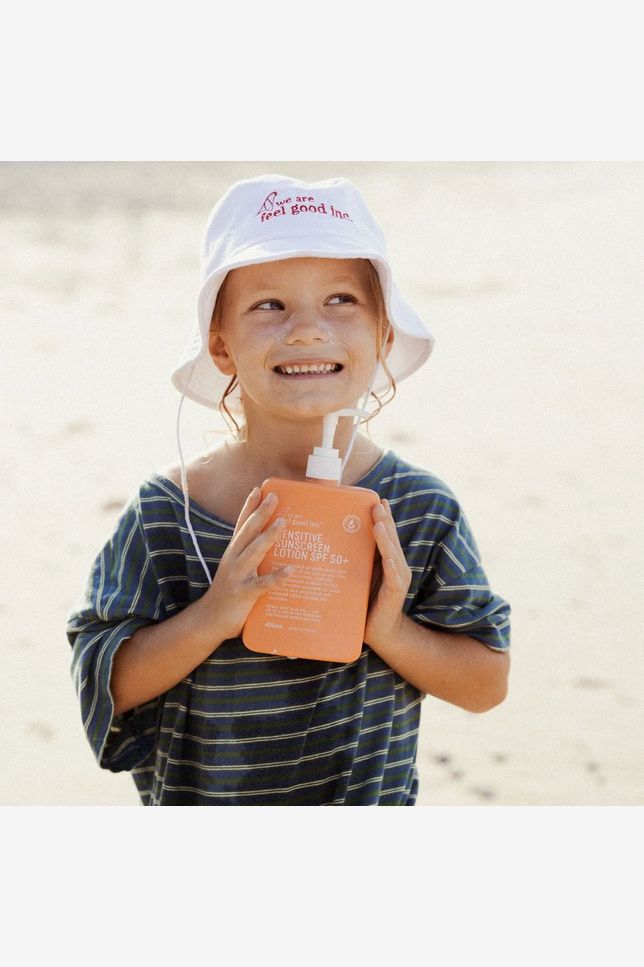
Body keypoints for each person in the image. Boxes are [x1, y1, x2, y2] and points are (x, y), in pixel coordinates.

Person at [66, 172, 511, 806]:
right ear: (221, 345)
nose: (306, 328)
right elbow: (105, 684)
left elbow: (486, 683)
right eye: (269, 305)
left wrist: (389, 630)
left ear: (384, 335)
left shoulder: (418, 508)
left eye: (341, 300)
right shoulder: (169, 513)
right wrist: (214, 615)